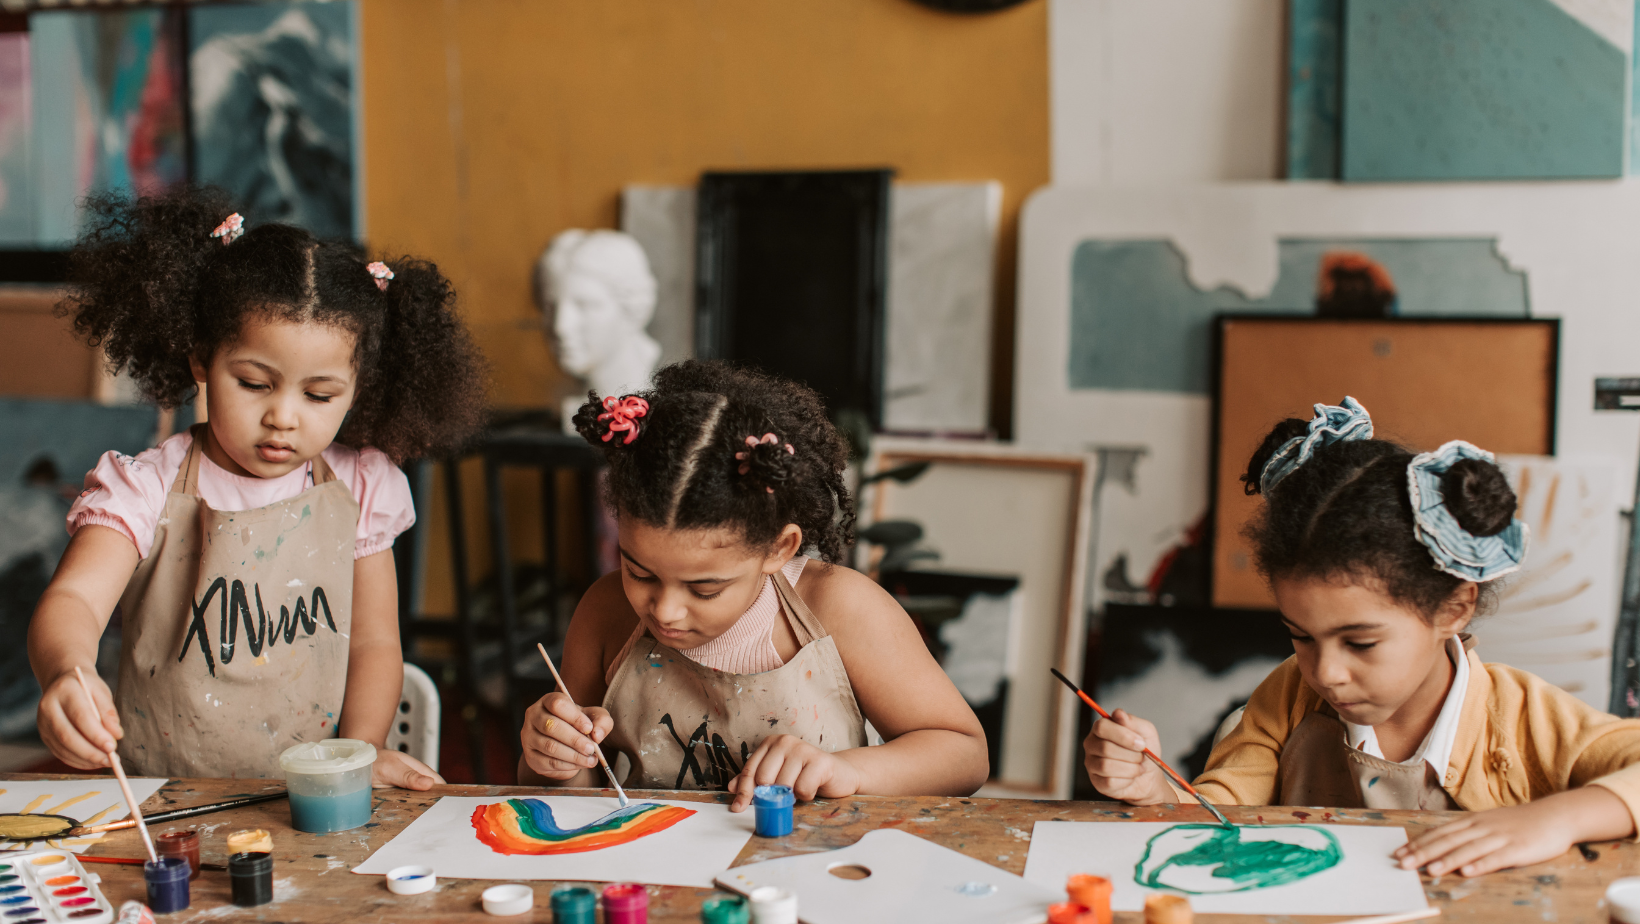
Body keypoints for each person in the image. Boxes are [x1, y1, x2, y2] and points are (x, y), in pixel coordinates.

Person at [28, 187, 485, 788]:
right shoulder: (146, 487)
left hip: (308, 799)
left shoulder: (359, 488)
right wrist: (67, 672)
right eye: (253, 383)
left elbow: (373, 644)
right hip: (161, 795)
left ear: (357, 387)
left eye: (319, 396)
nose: (284, 418)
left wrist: (360, 753)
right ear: (201, 360)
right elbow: (75, 601)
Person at [1084, 398, 1640, 877]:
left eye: (1360, 643)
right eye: (1301, 637)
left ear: (1454, 606)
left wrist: (1553, 819)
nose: (1325, 672)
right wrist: (1151, 787)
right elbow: (1218, 809)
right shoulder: (1287, 697)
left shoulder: (1522, 716)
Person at [517, 361, 988, 810]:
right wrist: (554, 757)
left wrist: (848, 771)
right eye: (639, 573)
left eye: (704, 589)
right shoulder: (606, 613)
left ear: (778, 549)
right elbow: (570, 796)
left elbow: (964, 756)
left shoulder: (840, 609)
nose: (665, 611)